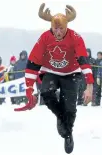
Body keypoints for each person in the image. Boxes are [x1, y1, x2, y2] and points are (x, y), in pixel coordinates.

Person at [14, 3, 93, 154]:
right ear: (51, 27)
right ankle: (60, 114)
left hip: (72, 73)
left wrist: (89, 86)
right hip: (50, 71)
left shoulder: (75, 38)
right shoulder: (44, 38)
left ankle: (68, 134)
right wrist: (29, 88)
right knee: (46, 92)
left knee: (70, 108)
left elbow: (84, 61)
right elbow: (33, 63)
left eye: (61, 29)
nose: (58, 32)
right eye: (55, 28)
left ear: (67, 27)